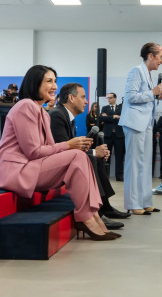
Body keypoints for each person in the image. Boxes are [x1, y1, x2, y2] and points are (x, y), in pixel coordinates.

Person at [0, 65, 118, 241]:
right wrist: (68, 146)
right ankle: (86, 217)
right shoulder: (25, 106)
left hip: (30, 166)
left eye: (55, 81)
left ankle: (93, 215)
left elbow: (49, 151)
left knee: (80, 155)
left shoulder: (43, 113)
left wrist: (75, 147)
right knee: (77, 155)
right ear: (35, 83)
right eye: (49, 81)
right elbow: (33, 151)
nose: (54, 86)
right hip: (15, 170)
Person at [49, 83, 131, 226]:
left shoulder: (65, 115)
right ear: (71, 98)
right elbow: (62, 150)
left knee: (96, 158)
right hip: (53, 165)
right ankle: (96, 212)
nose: (87, 101)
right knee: (92, 157)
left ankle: (105, 207)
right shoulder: (57, 115)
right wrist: (93, 151)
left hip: (63, 160)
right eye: (83, 97)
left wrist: (91, 150)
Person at [118, 42, 162, 215]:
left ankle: (145, 201)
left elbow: (145, 97)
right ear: (151, 56)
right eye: (160, 57)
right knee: (134, 164)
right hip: (134, 123)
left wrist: (157, 96)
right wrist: (152, 93)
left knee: (146, 163)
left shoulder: (148, 73)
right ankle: (132, 204)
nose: (161, 61)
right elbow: (131, 97)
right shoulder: (136, 71)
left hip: (146, 123)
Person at [100, 92, 125, 181]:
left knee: (119, 156)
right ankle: (106, 175)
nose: (109, 99)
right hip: (108, 135)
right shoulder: (104, 108)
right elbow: (102, 118)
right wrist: (114, 117)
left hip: (119, 135)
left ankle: (119, 176)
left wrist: (109, 117)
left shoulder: (121, 107)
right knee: (106, 156)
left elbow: (123, 118)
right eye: (108, 98)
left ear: (115, 98)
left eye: (110, 98)